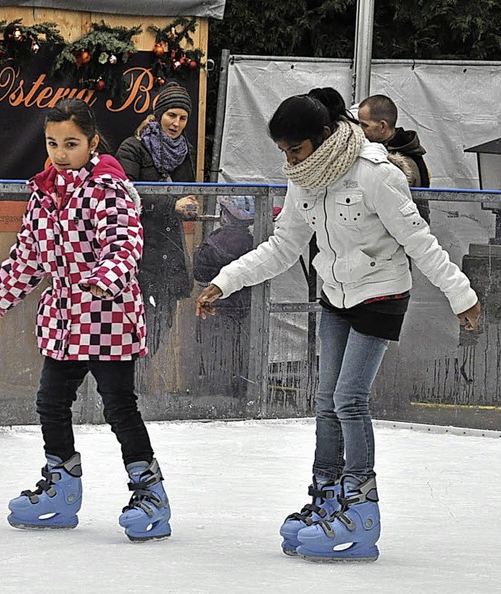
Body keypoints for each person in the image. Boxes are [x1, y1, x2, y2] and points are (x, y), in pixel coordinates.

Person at [195, 91, 481, 562]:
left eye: (296, 149)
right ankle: (328, 494)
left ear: (324, 135)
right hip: (336, 294)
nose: (289, 160)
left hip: (383, 293)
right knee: (326, 399)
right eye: (283, 151)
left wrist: (461, 294)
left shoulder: (376, 174)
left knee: (349, 398)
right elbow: (282, 247)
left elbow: (419, 239)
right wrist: (224, 282)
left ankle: (363, 507)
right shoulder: (304, 179)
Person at [0, 98, 171, 542]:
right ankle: (61, 488)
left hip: (107, 314)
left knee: (119, 405)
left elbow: (124, 242)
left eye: (71, 143)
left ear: (92, 142)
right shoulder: (45, 192)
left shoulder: (107, 187)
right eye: (52, 143)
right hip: (63, 319)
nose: (60, 153)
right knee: (50, 402)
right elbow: (28, 255)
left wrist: (104, 279)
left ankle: (150, 492)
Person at [115, 81, 198, 360]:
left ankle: (139, 388)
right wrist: (171, 204)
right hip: (136, 248)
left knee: (161, 325)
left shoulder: (185, 151)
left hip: (169, 249)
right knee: (132, 328)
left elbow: (188, 191)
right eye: (171, 115)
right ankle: (123, 391)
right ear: (159, 114)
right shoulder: (133, 147)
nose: (176, 123)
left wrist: (189, 205)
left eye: (183, 117)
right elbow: (125, 193)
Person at [192, 196, 255, 397]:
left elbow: (200, 271)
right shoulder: (253, 241)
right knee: (239, 358)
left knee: (216, 359)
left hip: (218, 309)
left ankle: (218, 398)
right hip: (243, 308)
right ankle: (237, 396)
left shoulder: (215, 242)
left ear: (225, 216)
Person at [357, 94, 432, 223]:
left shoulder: (405, 162)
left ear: (382, 126)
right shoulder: (405, 151)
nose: (359, 129)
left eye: (365, 125)